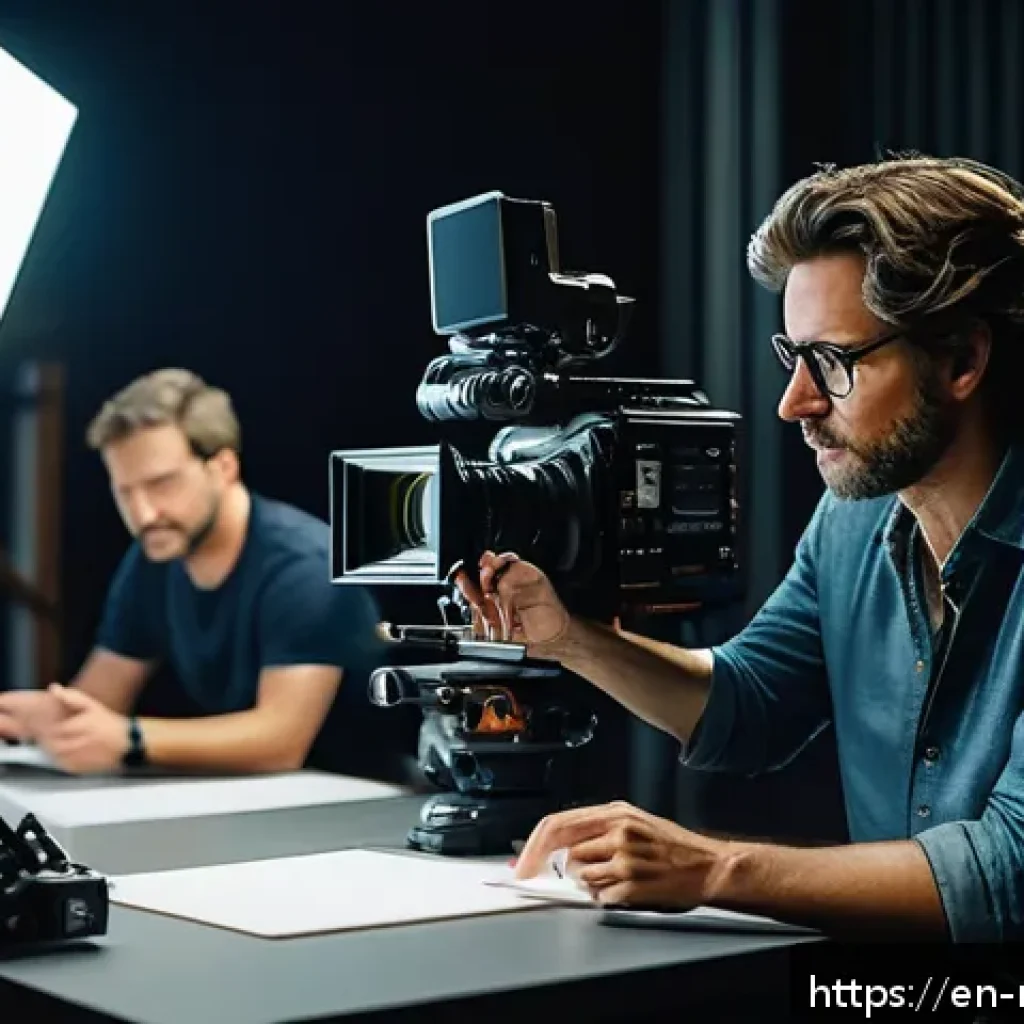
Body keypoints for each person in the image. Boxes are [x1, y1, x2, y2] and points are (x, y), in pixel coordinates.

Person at [457, 155, 1024, 942]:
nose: (795, 402)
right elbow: (749, 706)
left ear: (962, 359)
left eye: (833, 361)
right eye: (793, 357)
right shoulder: (852, 519)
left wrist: (713, 869)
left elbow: (1008, 871)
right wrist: (570, 640)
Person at [0, 368, 388, 776]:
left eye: (162, 484)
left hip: (361, 796)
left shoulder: (305, 566)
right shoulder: (154, 556)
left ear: (223, 467)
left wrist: (131, 739)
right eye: (125, 492)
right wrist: (45, 719)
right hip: (251, 796)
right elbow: (99, 701)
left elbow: (281, 741)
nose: (143, 514)